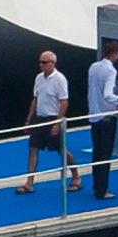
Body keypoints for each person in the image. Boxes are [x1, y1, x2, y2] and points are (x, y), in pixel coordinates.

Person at [16, 51, 82, 194]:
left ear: (53, 63)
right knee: (33, 148)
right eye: (40, 62)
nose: (41, 65)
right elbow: (36, 99)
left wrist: (57, 123)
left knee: (61, 150)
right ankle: (29, 182)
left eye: (44, 62)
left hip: (53, 118)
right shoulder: (39, 78)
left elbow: (64, 103)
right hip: (40, 118)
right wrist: (29, 120)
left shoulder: (60, 79)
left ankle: (76, 177)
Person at [88, 41, 118, 200]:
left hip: (94, 116)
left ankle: (97, 186)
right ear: (115, 53)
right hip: (106, 117)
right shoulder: (110, 70)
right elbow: (107, 94)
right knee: (105, 154)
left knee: (97, 153)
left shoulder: (93, 67)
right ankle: (102, 190)